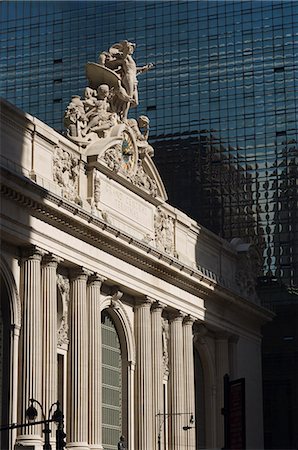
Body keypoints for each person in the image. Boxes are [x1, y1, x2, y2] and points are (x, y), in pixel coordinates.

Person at [103, 40, 154, 118]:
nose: (131, 50)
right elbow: (124, 57)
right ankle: (124, 118)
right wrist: (126, 45)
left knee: (135, 102)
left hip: (134, 79)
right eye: (130, 48)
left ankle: (119, 109)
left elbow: (133, 69)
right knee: (129, 99)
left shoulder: (130, 59)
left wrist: (144, 68)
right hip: (128, 77)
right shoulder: (125, 57)